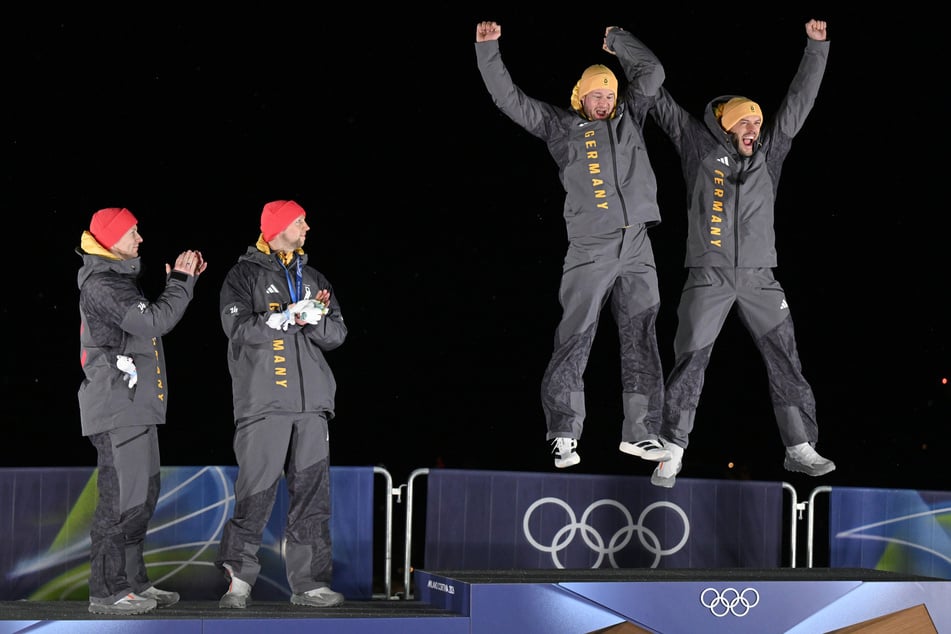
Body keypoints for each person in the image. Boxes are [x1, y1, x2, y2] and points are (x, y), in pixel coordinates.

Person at [475, 21, 671, 470]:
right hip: (591, 247)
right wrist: (488, 50)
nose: (603, 102)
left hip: (638, 243)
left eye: (608, 95)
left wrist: (618, 41)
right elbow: (510, 100)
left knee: (642, 335)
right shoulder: (562, 128)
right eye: (595, 95)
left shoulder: (631, 119)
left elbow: (654, 72)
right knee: (577, 336)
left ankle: (640, 434)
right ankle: (564, 431)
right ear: (580, 97)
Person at [647, 20, 834, 487]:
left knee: (785, 356)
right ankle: (671, 448)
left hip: (759, 277)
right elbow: (659, 100)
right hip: (708, 276)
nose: (755, 127)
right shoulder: (697, 148)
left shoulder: (769, 154)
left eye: (757, 121)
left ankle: (799, 446)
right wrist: (622, 46)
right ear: (727, 126)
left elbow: (798, 102)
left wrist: (816, 48)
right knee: (690, 360)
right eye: (745, 122)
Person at [215, 199, 347, 609]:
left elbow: (338, 333)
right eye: (299, 221)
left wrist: (314, 320)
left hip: (312, 407)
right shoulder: (242, 275)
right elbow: (235, 328)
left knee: (312, 496)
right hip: (264, 403)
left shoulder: (313, 277)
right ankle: (238, 581)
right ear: (278, 227)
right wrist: (283, 317)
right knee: (256, 493)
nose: (307, 227)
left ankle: (308, 584)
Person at [77, 207, 207, 614]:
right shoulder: (101, 284)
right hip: (117, 409)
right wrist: (181, 283)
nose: (140, 238)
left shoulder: (119, 281)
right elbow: (155, 322)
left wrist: (179, 285)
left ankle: (134, 581)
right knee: (120, 502)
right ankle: (107, 590)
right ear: (111, 239)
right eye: (133, 231)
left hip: (137, 408)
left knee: (142, 497)